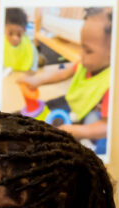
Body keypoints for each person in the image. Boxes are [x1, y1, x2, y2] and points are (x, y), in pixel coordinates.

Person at [19, 8, 112, 150]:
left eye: (88, 51)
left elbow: (106, 125)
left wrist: (79, 132)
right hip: (74, 106)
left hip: (90, 119)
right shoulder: (84, 63)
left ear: (112, 54)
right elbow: (62, 74)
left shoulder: (110, 83)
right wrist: (38, 81)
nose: (81, 54)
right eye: (81, 47)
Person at [3, 7, 37, 72]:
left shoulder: (28, 45)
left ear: (24, 31)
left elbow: (34, 56)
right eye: (10, 33)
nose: (14, 38)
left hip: (23, 71)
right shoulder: (0, 43)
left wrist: (33, 69)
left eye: (19, 34)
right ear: (4, 30)